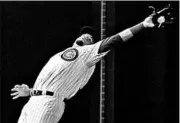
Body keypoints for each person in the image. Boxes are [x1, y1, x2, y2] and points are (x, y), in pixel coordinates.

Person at [11, 8, 173, 123]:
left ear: (93, 44)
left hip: (49, 102)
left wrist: (142, 25)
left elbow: (114, 40)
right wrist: (30, 91)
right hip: (32, 102)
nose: (87, 35)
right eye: (84, 33)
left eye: (91, 37)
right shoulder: (59, 55)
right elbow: (54, 81)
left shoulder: (87, 54)